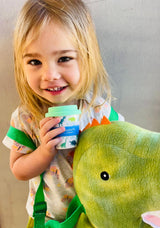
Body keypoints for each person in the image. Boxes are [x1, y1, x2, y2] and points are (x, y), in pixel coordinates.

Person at [3, 0, 124, 227]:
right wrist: (44, 152)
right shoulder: (26, 118)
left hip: (90, 217)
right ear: (22, 65)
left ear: (86, 57)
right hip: (46, 218)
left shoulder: (98, 111)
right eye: (35, 62)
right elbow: (18, 169)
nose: (50, 75)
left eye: (64, 59)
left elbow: (122, 151)